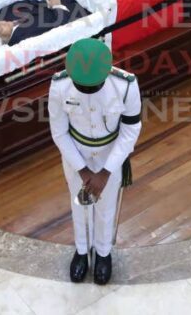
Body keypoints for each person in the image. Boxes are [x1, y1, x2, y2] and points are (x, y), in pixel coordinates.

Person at [49, 38, 141, 285]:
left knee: (106, 206)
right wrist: (82, 169)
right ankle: (81, 251)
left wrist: (106, 172)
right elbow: (59, 132)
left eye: (94, 86)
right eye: (82, 86)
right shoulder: (59, 86)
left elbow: (130, 132)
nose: (88, 91)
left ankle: (103, 253)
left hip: (110, 156)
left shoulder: (125, 86)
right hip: (74, 155)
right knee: (78, 204)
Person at [0, 0, 91, 46]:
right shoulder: (22, 40)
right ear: (1, 40)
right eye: (0, 28)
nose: (2, 22)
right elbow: (60, 28)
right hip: (76, 14)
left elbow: (26, 2)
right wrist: (57, 6)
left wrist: (47, 3)